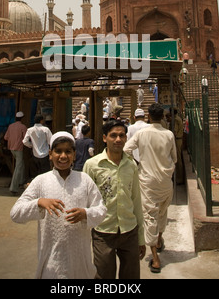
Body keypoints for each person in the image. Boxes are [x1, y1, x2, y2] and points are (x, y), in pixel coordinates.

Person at [11, 131, 107, 279]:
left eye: (68, 151)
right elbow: (16, 213)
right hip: (52, 261)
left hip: (80, 260)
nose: (63, 156)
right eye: (58, 151)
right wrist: (39, 202)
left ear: (74, 155)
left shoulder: (85, 180)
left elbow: (101, 209)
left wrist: (85, 214)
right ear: (50, 154)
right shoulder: (40, 181)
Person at [83, 120, 146, 280]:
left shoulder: (131, 165)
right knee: (103, 277)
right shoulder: (92, 165)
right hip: (103, 231)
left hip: (129, 230)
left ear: (126, 138)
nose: (118, 139)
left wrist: (140, 237)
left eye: (121, 135)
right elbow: (84, 201)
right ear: (105, 138)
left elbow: (136, 201)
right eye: (113, 136)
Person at [124, 103, 177, 274]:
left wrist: (136, 164)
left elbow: (126, 149)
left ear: (148, 116)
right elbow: (174, 158)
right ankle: (159, 240)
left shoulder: (142, 133)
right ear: (162, 116)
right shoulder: (169, 134)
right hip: (165, 180)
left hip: (147, 180)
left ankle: (155, 258)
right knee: (162, 211)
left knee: (150, 216)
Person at [4, 111, 27, 195]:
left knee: (21, 164)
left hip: (11, 148)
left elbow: (6, 137)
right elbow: (25, 138)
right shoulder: (23, 127)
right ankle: (14, 187)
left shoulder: (10, 126)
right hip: (19, 148)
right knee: (18, 167)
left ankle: (21, 180)